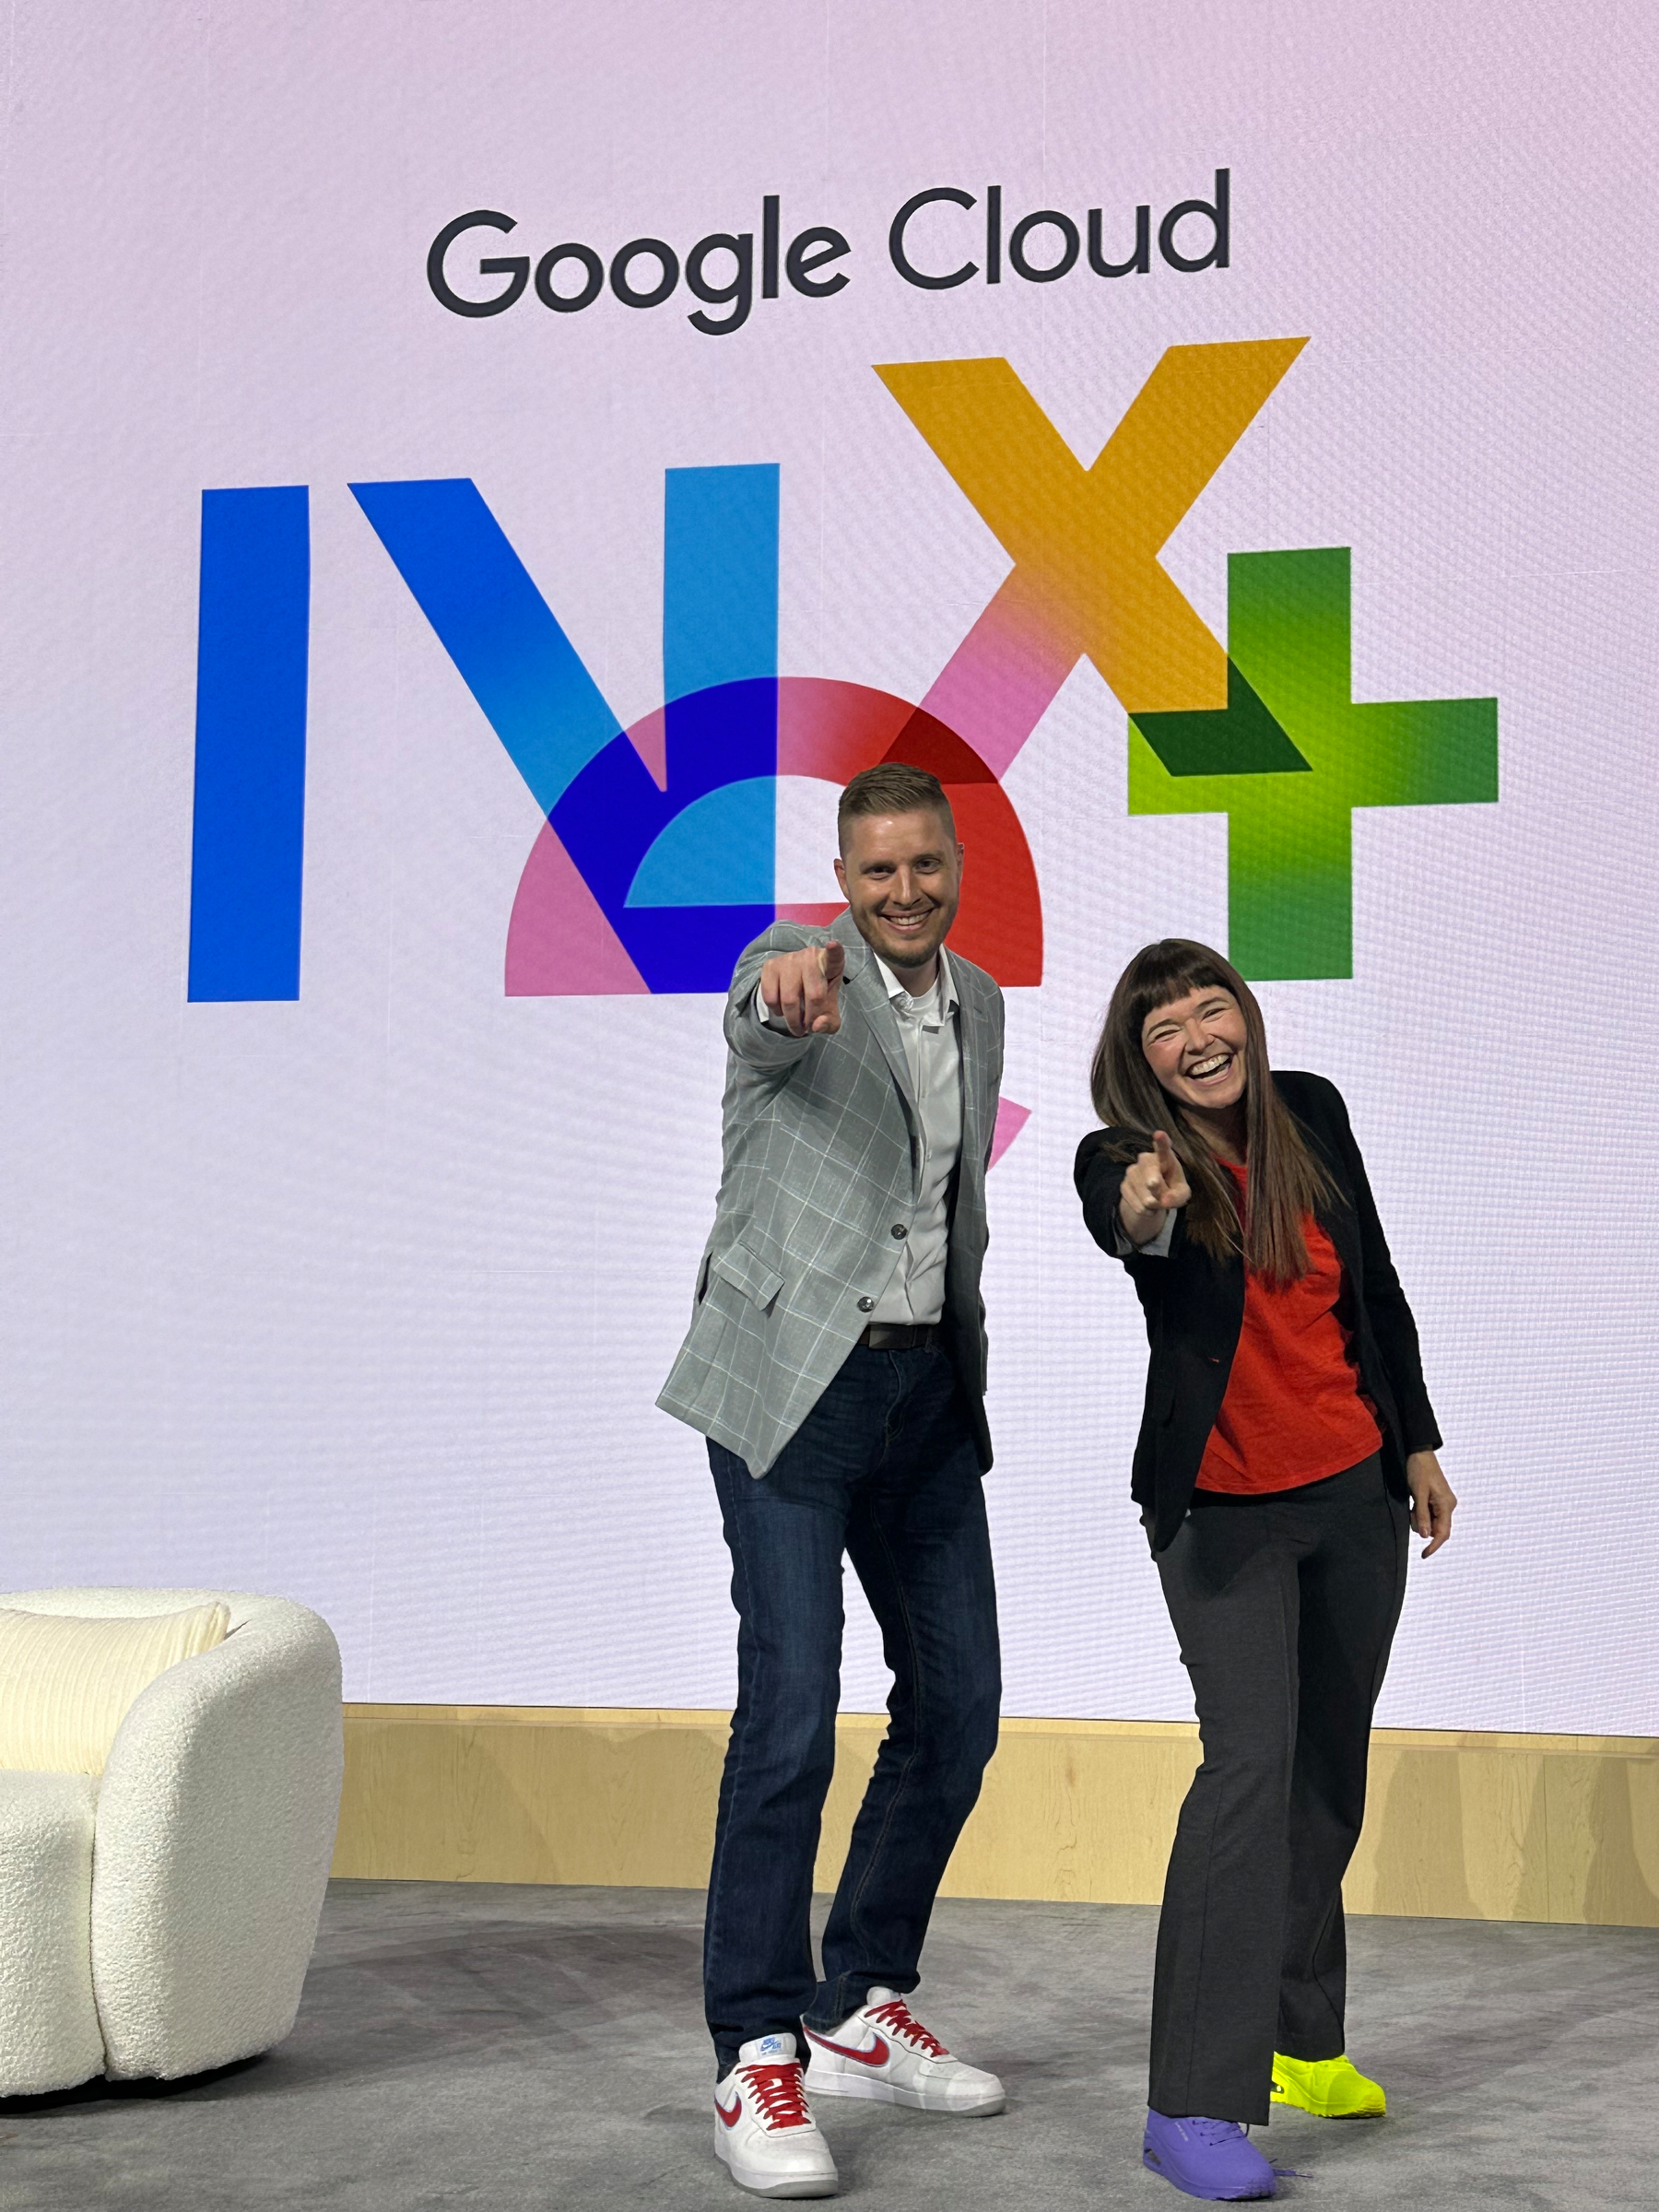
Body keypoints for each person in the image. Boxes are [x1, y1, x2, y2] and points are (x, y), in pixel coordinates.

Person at [660, 761, 1008, 2200]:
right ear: (843, 881)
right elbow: (762, 1007)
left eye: (925, 864)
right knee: (792, 1713)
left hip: (926, 1393)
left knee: (962, 1708)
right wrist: (783, 981)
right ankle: (754, 2047)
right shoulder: (795, 974)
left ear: (954, 863)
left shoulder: (981, 998)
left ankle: (858, 1999)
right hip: (794, 1391)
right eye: (877, 872)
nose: (904, 892)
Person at [1073, 939, 1457, 2205]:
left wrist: (1417, 1445)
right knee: (1247, 1776)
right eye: (1166, 1027)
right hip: (1225, 1515)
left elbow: (1376, 1290)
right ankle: (1189, 2103)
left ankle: (1300, 2038)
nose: (1199, 1036)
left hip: (1353, 1494)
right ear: (1140, 1062)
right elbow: (1125, 1220)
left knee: (1324, 1780)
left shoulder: (1313, 1115)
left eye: (1211, 1007)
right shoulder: (1127, 1154)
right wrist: (1147, 1201)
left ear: (1244, 1012)